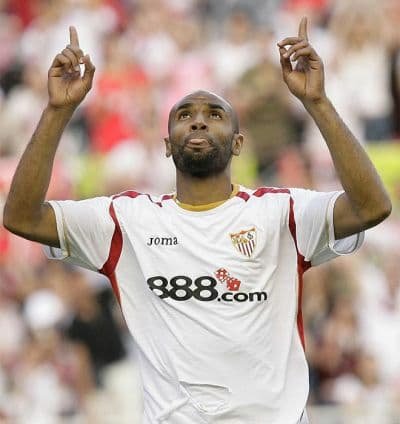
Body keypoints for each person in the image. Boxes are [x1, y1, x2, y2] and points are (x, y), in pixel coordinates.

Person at [3, 18, 391, 423]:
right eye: (185, 114)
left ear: (238, 143)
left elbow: (371, 207)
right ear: (167, 145)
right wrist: (58, 110)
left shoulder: (281, 212)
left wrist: (318, 102)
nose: (199, 120)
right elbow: (22, 216)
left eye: (215, 114)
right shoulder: (127, 221)